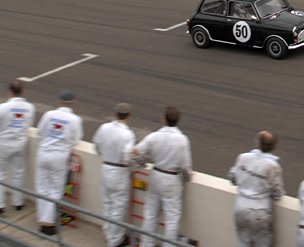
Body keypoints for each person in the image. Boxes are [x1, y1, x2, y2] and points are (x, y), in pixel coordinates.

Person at [133, 106, 193, 247]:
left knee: (150, 214)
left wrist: (145, 161)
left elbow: (134, 153)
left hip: (156, 175)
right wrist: (186, 179)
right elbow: (185, 167)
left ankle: (146, 244)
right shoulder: (182, 140)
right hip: (172, 179)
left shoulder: (154, 136)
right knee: (171, 219)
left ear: (163, 120)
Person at [35, 91, 84, 236]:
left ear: (59, 101)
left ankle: (42, 218)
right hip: (59, 156)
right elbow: (76, 139)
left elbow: (40, 132)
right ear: (73, 102)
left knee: (42, 188)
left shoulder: (49, 114)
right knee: (55, 190)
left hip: (43, 152)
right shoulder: (75, 119)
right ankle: (48, 223)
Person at [228, 130, 285, 247]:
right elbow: (277, 192)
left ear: (258, 144)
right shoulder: (272, 166)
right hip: (259, 211)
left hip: (240, 208)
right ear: (273, 146)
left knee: (243, 243)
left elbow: (232, 177)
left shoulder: (243, 157)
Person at [0, 80, 35, 215]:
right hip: (20, 142)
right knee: (18, 172)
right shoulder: (30, 107)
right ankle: (18, 202)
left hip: (3, 143)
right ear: (22, 91)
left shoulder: (2, 107)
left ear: (9, 92)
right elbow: (28, 124)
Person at [93, 103, 137, 247]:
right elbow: (127, 157)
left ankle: (108, 233)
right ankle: (115, 240)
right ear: (129, 115)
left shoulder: (104, 128)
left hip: (106, 167)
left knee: (107, 204)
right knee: (119, 207)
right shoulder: (128, 134)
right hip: (119, 171)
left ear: (115, 114)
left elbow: (96, 146)